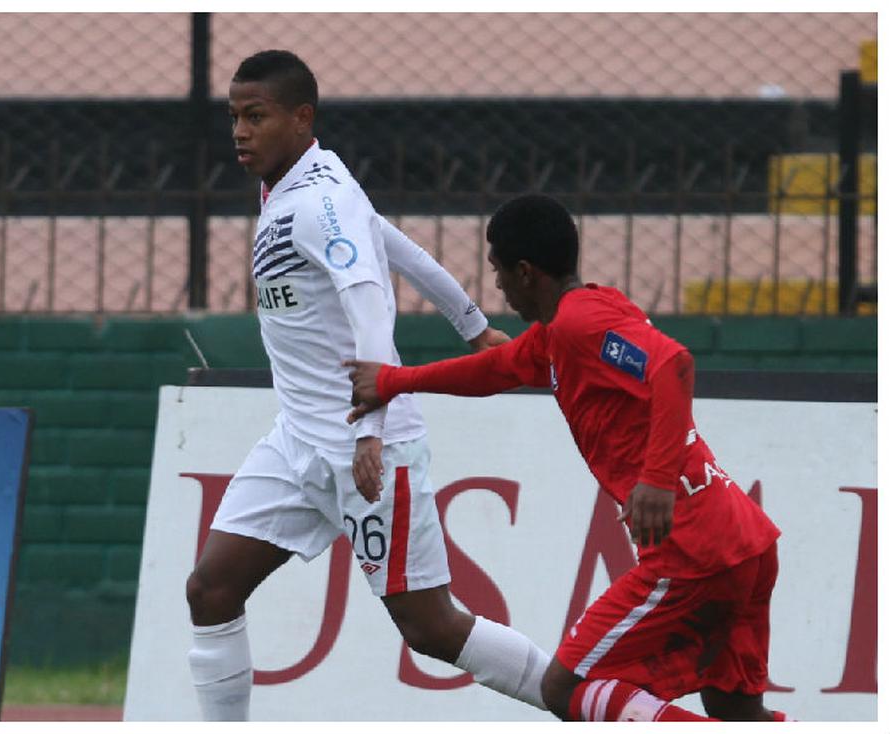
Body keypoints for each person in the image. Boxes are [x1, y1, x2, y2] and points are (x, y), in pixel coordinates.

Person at [184, 50, 552, 721]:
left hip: (368, 450)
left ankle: (582, 700)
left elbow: (371, 308)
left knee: (432, 629)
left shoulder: (320, 202)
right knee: (211, 590)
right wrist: (472, 326)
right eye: (235, 116)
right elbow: (398, 247)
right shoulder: (301, 186)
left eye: (255, 116)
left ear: (302, 118)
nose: (239, 131)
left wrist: (372, 430)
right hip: (296, 443)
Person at [346, 194, 793, 722]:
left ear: (527, 272)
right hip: (743, 544)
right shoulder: (568, 329)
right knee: (734, 706)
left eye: (499, 273)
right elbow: (497, 370)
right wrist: (396, 382)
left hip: (695, 551)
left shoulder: (582, 324)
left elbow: (673, 365)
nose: (498, 288)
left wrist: (655, 480)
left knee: (567, 687)